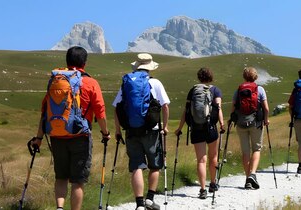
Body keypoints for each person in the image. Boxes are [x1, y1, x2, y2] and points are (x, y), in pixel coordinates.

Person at [31, 46, 111, 210]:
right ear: (85, 63)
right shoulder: (90, 82)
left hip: (57, 135)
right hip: (80, 136)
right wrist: (105, 133)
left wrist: (39, 138)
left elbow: (45, 112)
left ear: (67, 61)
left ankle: (59, 208)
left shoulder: (55, 81)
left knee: (61, 177)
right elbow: (100, 112)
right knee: (77, 181)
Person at [113, 53, 170, 210]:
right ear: (150, 67)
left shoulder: (127, 82)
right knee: (154, 165)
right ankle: (150, 199)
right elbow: (165, 106)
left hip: (131, 130)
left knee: (137, 165)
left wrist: (118, 130)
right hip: (152, 130)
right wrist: (165, 126)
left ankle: (138, 203)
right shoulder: (156, 83)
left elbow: (116, 107)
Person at [174, 67, 225, 198]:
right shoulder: (215, 90)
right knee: (213, 157)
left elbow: (186, 111)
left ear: (199, 77)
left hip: (196, 129)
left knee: (201, 160)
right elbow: (218, 108)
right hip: (211, 128)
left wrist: (179, 128)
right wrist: (222, 124)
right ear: (211, 77)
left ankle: (203, 190)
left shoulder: (193, 90)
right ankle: (213, 184)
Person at [231, 67, 270, 189]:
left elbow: (233, 107)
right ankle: (252, 174)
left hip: (241, 123)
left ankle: (248, 179)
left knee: (245, 152)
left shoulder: (238, 89)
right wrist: (266, 119)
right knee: (256, 149)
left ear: (244, 76)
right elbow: (266, 108)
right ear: (255, 77)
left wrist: (232, 119)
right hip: (256, 123)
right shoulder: (260, 89)